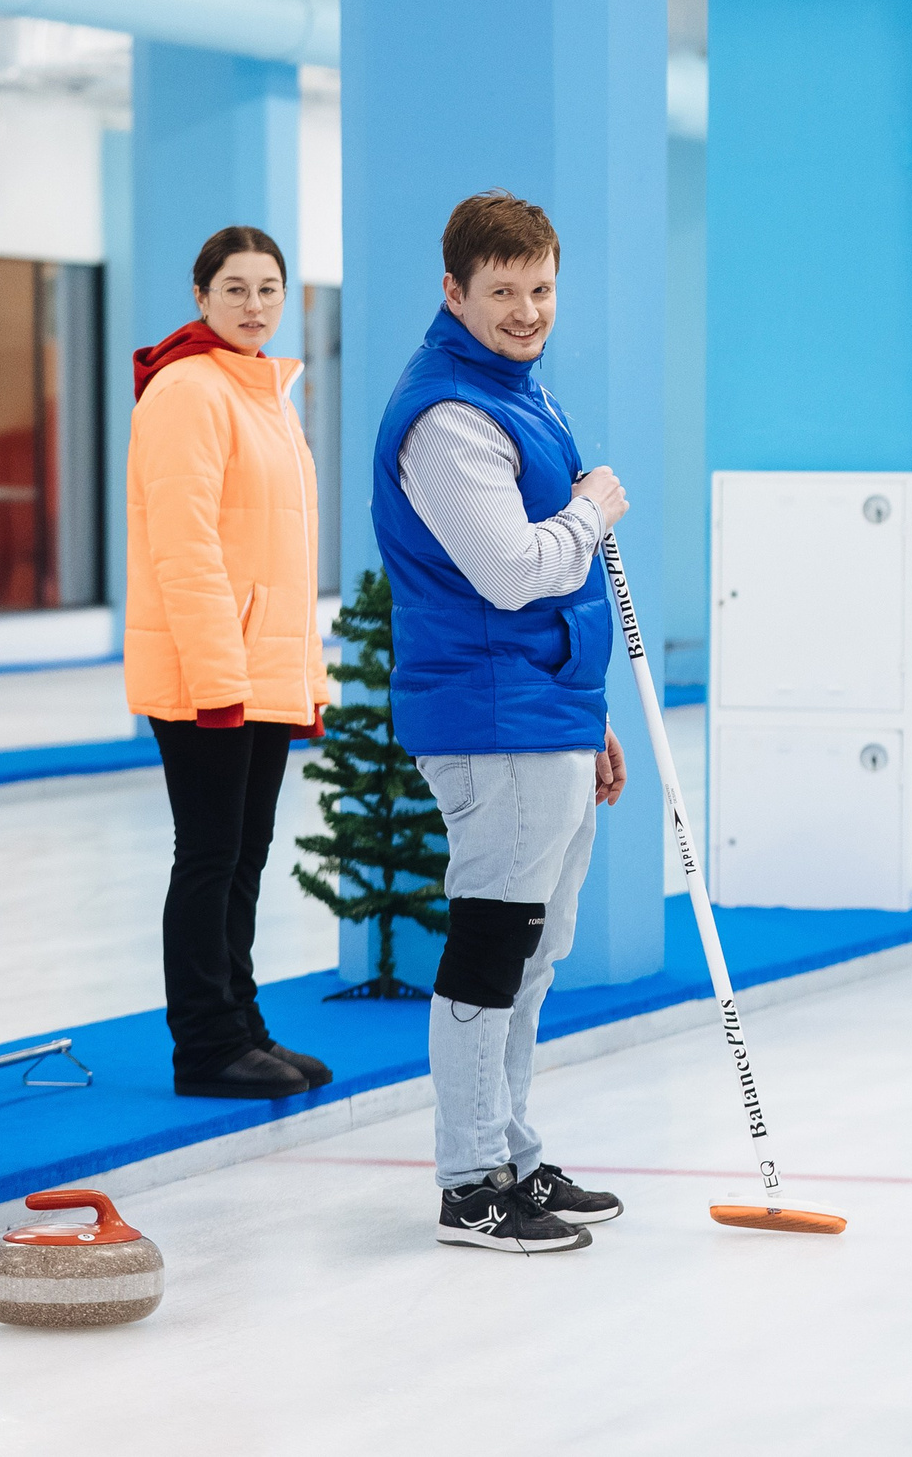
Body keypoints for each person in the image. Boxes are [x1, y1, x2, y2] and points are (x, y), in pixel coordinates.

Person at [371, 190, 631, 1254]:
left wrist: (586, 715)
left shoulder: (517, 391)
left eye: (539, 289)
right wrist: (593, 511)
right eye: (502, 292)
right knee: (492, 949)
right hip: (491, 719)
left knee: (532, 953)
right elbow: (513, 571)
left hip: (544, 712)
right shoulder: (450, 418)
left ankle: (512, 1151)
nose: (525, 310)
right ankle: (468, 1179)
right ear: (453, 291)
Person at [126, 225, 337, 1101]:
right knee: (209, 854)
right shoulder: (187, 390)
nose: (256, 305)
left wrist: (304, 679)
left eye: (270, 288)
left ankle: (241, 1023)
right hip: (209, 677)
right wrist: (220, 682)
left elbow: (281, 560)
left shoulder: (269, 396)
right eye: (237, 288)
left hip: (263, 674)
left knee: (245, 853)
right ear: (201, 295)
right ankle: (204, 1043)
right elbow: (188, 552)